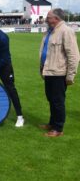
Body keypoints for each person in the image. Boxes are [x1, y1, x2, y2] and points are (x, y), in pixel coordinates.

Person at [39, 8, 79, 137]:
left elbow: (73, 55)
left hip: (59, 73)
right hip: (48, 71)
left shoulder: (66, 31)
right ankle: (52, 123)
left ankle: (58, 128)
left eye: (49, 17)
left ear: (56, 18)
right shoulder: (49, 31)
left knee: (57, 101)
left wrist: (70, 75)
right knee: (51, 99)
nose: (46, 19)